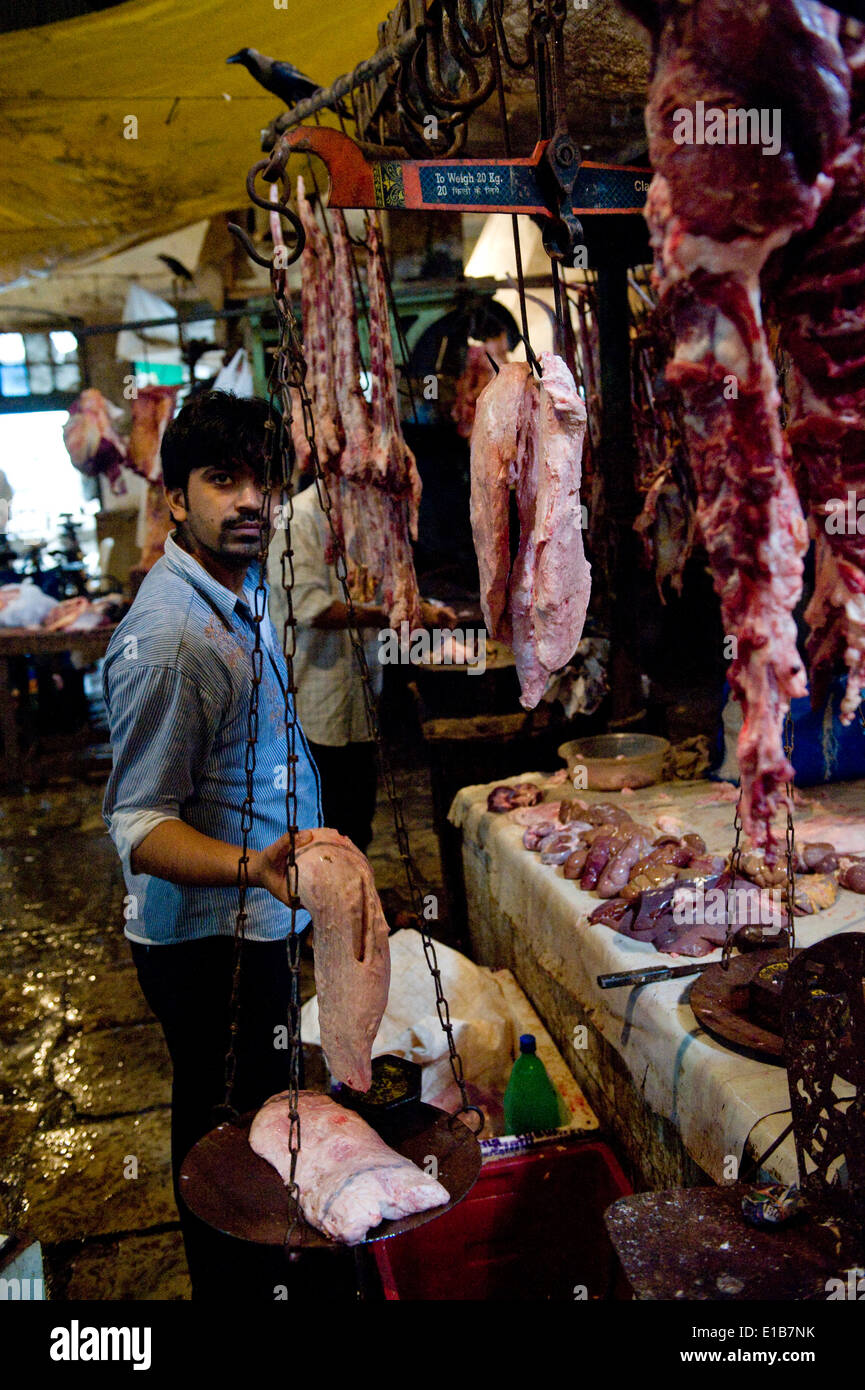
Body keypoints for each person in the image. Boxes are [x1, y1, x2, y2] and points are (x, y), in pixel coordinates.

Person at [101, 391, 325, 1301]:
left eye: (260, 479)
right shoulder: (171, 640)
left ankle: (252, 1275)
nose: (248, 501)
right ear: (176, 497)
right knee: (220, 1136)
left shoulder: (241, 587)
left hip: (257, 914)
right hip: (206, 939)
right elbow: (139, 825)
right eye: (220, 479)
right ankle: (232, 1290)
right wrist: (254, 867)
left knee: (254, 1119)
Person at [268, 482, 456, 853]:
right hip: (314, 702)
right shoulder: (298, 518)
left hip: (361, 696)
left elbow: (380, 591)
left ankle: (357, 905)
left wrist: (420, 607)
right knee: (321, 827)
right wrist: (398, 615)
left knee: (357, 819)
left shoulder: (365, 517)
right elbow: (314, 608)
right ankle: (318, 909)